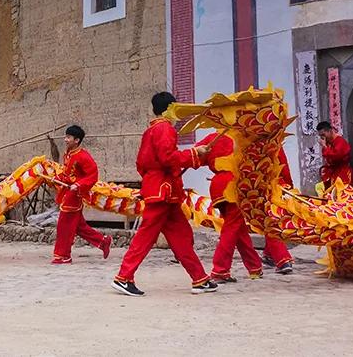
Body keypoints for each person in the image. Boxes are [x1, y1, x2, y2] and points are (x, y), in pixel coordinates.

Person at [113, 92, 216, 296]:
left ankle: (199, 279)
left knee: (181, 236)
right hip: (163, 191)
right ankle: (124, 276)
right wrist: (195, 154)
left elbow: (142, 164)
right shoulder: (164, 128)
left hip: (162, 190)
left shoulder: (151, 130)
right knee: (146, 236)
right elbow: (168, 157)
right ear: (170, 108)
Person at [195, 132, 263, 282]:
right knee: (231, 228)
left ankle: (254, 267)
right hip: (234, 185)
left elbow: (196, 154)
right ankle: (220, 270)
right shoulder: (243, 136)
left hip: (218, 184)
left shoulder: (213, 136)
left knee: (238, 228)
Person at [51, 125, 111, 264]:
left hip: (75, 195)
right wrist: (58, 178)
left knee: (64, 225)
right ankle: (103, 241)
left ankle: (63, 255)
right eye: (65, 137)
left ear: (77, 140)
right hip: (67, 192)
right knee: (78, 226)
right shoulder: (68, 153)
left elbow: (92, 175)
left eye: (68, 137)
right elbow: (67, 173)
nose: (65, 140)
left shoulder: (83, 156)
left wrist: (78, 185)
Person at [261, 148, 295, 274]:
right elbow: (284, 168)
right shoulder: (275, 144)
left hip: (262, 188)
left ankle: (281, 259)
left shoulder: (250, 143)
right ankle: (273, 256)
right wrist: (290, 186)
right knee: (271, 221)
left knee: (269, 223)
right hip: (277, 188)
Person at [317, 121, 352, 189]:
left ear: (330, 131)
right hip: (332, 173)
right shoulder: (328, 143)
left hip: (342, 173)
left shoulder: (340, 141)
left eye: (323, 135)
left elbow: (336, 156)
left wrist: (324, 147)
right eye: (320, 136)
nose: (322, 138)